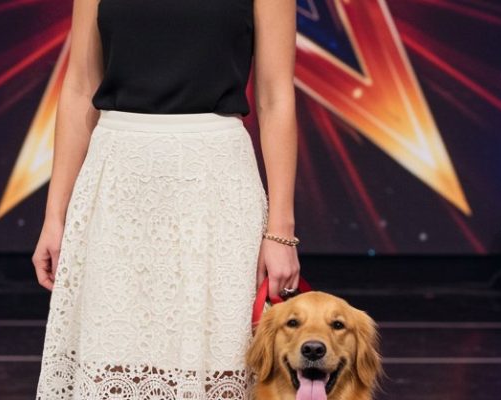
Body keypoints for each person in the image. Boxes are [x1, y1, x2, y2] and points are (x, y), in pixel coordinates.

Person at [31, 0, 300, 398]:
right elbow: (78, 89)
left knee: (216, 368)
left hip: (215, 187)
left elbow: (276, 99)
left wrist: (281, 231)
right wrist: (55, 217)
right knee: (108, 364)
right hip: (117, 186)